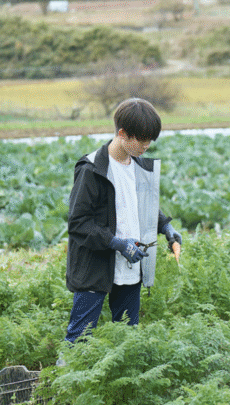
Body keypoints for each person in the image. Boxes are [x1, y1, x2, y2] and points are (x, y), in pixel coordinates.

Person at [65, 98, 182, 344]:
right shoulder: (92, 169)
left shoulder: (140, 167)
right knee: (79, 338)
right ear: (122, 134)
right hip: (95, 267)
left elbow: (145, 207)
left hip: (131, 267)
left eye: (150, 140)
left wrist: (166, 227)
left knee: (128, 340)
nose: (146, 146)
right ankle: (65, 381)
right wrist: (118, 244)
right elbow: (78, 223)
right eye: (141, 139)